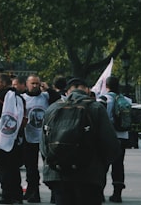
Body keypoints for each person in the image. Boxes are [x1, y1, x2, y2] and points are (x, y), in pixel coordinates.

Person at [41, 77, 120, 205]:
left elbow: (43, 145)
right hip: (89, 174)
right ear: (88, 91)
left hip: (58, 174)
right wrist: (101, 164)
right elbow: (110, 144)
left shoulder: (52, 109)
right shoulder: (96, 108)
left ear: (67, 92)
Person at [0, 73, 26, 205]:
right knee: (13, 167)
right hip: (15, 136)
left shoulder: (3, 95)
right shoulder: (18, 96)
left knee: (4, 168)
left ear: (3, 84)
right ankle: (16, 194)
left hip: (3, 137)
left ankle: (7, 194)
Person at [99, 75, 130, 202]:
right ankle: (117, 193)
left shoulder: (104, 99)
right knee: (118, 165)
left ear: (106, 86)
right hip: (123, 136)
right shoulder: (127, 100)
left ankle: (99, 192)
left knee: (102, 165)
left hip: (107, 136)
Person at [21, 74, 50, 203]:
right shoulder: (23, 98)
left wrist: (48, 89)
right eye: (32, 83)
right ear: (27, 84)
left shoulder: (46, 96)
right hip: (29, 137)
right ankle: (33, 192)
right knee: (31, 168)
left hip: (45, 137)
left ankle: (55, 193)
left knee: (50, 166)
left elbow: (58, 99)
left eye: (37, 83)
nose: (35, 86)